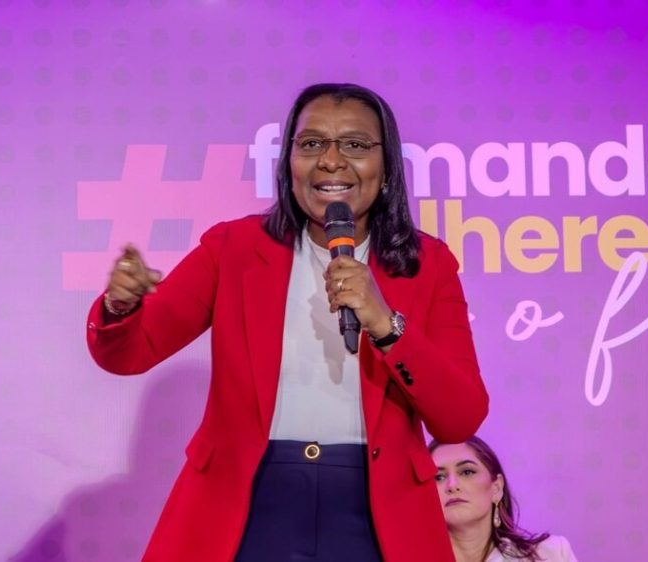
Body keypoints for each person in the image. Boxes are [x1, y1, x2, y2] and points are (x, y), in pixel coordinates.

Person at [87, 83, 488, 561]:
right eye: (312, 143)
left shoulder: (428, 264)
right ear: (289, 164)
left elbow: (460, 417)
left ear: (386, 170)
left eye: (355, 145)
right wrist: (121, 307)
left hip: (376, 511)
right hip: (249, 501)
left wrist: (385, 325)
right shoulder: (233, 249)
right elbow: (131, 353)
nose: (331, 161)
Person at [430, 437, 579, 562]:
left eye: (467, 472)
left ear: (496, 488)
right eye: (439, 477)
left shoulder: (551, 554)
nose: (452, 485)